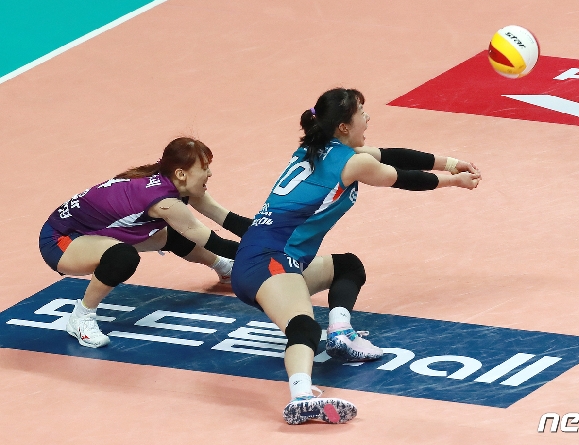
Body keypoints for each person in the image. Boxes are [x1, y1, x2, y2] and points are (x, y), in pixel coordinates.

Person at [230, 88, 481, 425]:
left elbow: (391, 154)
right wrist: (455, 181)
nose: (367, 118)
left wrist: (450, 163)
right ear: (344, 126)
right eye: (361, 112)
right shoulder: (353, 162)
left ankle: (341, 334)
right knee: (304, 326)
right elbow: (401, 177)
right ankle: (301, 398)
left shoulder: (319, 148)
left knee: (347, 266)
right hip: (269, 261)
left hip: (267, 259)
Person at [39, 137, 252, 349]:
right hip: (61, 239)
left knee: (174, 235)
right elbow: (214, 242)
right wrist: (262, 256)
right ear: (181, 173)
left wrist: (267, 233)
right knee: (122, 258)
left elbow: (227, 218)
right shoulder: (164, 202)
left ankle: (224, 268)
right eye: (204, 168)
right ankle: (81, 317)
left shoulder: (175, 182)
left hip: (99, 230)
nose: (210, 173)